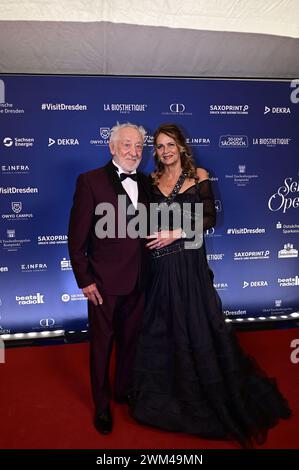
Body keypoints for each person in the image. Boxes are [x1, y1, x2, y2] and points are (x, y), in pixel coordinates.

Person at [130, 123, 292, 448]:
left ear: (181, 146)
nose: (165, 151)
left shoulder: (199, 174)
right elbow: (143, 220)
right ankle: (171, 394)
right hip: (162, 265)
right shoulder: (150, 181)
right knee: (165, 325)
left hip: (190, 262)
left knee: (197, 323)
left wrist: (174, 232)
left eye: (170, 144)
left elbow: (209, 218)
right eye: (160, 146)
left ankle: (206, 394)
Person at [68, 122, 150, 435]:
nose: (134, 151)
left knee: (131, 343)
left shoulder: (144, 181)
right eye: (127, 145)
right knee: (102, 346)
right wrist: (84, 279)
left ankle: (122, 390)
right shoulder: (90, 181)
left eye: (139, 146)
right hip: (103, 283)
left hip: (140, 279)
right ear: (112, 148)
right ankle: (101, 405)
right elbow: (76, 238)